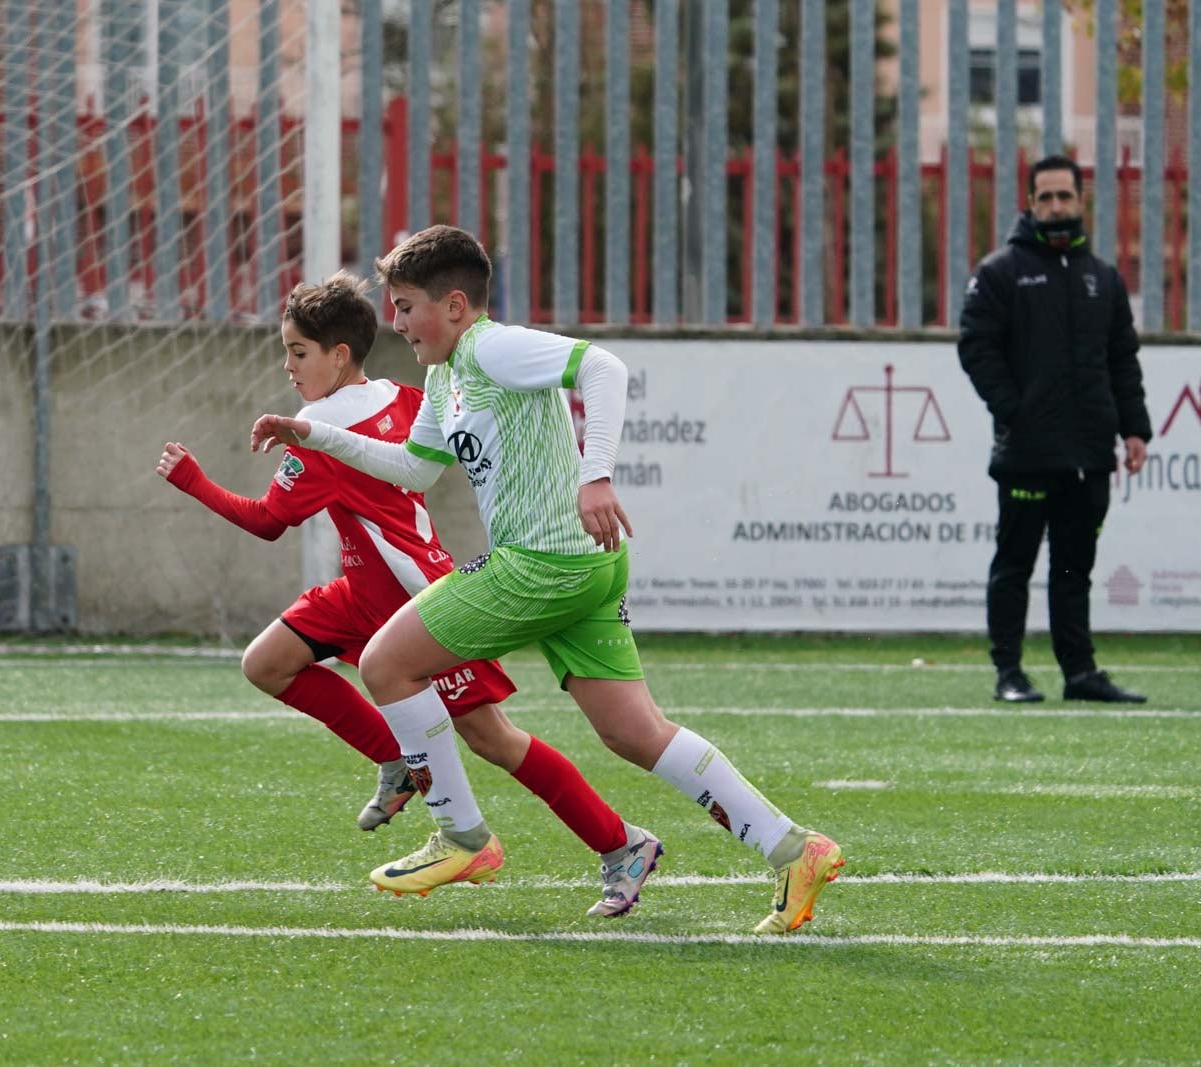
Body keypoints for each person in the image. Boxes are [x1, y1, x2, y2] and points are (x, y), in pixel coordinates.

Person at [250, 228, 844, 935]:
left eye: (407, 307)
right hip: (582, 566)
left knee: (384, 662)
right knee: (634, 732)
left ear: (458, 305)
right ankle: (793, 847)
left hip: (542, 564)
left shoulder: (491, 347)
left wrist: (596, 474)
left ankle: (463, 837)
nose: (398, 324)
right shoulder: (446, 376)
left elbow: (605, 369)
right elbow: (415, 468)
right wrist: (313, 435)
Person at [158, 271, 664, 918]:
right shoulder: (401, 394)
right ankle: (398, 754)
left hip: (407, 593)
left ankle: (619, 841)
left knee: (494, 738)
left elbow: (267, 521)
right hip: (357, 592)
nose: (287, 366)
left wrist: (194, 480)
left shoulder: (317, 428)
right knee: (267, 662)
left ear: (340, 355)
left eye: (299, 352)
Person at [958, 155, 1152, 705]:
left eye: (1064, 196)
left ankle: (1080, 673)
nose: (1056, 206)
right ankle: (1009, 674)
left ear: (1080, 199)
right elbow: (976, 347)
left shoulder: (1103, 278)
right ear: (1030, 202)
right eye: (1045, 197)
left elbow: (1123, 360)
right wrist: (1014, 409)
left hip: (1090, 453)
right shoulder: (1002, 272)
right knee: (1014, 564)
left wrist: (1135, 429)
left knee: (1074, 569)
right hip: (1027, 451)